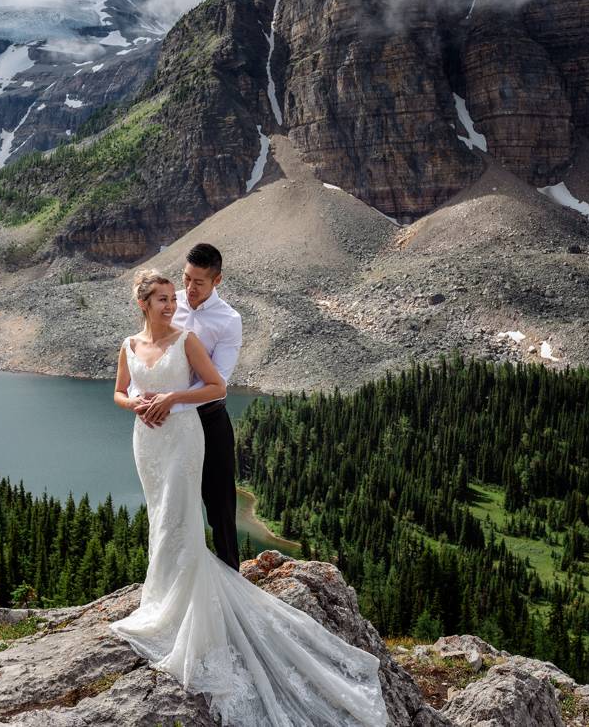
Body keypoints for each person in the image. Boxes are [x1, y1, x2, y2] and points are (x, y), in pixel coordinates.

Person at [109, 269, 387, 726]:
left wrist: (173, 397)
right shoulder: (128, 345)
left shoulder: (185, 341)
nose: (170, 304)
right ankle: (160, 601)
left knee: (181, 518)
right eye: (161, 298)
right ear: (143, 304)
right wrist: (136, 404)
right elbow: (119, 392)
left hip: (181, 437)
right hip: (147, 441)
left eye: (171, 297)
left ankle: (185, 612)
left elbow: (217, 387)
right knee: (159, 516)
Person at [127, 242, 242, 568]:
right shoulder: (167, 301)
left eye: (199, 282)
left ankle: (231, 583)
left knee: (219, 507)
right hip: (165, 425)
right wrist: (140, 396)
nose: (189, 289)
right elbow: (144, 352)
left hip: (208, 420)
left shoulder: (229, 320)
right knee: (170, 506)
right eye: (186, 278)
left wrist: (171, 400)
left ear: (217, 281)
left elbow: (217, 382)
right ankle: (177, 583)